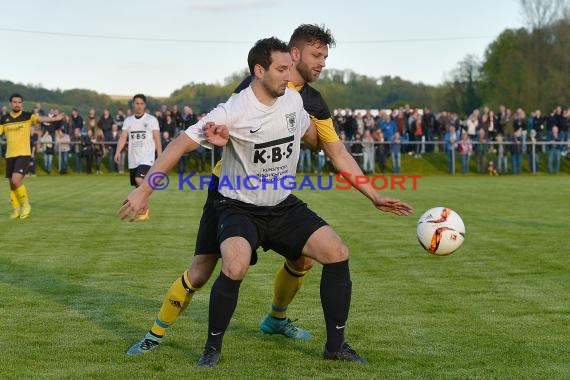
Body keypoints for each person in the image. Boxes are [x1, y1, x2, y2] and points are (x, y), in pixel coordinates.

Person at [118, 37, 412, 367]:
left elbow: (323, 144)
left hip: (281, 205)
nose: (289, 76)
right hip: (236, 204)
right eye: (282, 69)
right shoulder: (233, 109)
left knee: (337, 253)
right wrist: (145, 190)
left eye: (290, 68)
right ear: (259, 71)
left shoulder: (295, 102)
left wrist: (373, 194)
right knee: (228, 267)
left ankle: (335, 346)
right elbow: (178, 145)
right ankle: (205, 348)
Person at [0, 93, 64, 219]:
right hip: (10, 155)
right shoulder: (4, 119)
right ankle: (16, 209)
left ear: (22, 104)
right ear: (10, 104)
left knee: (16, 180)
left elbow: (41, 119)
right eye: (14, 102)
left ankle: (26, 205)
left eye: (19, 102)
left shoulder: (27, 116)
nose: (17, 104)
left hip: (23, 154)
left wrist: (55, 119)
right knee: (12, 185)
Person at [114, 94, 162, 220]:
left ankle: (145, 207)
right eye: (137, 103)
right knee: (138, 187)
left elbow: (157, 138)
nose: (139, 106)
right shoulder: (128, 121)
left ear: (144, 105)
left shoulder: (151, 120)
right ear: (133, 104)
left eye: (141, 103)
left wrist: (161, 156)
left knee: (139, 179)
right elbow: (123, 137)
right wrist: (117, 151)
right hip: (133, 159)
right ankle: (143, 210)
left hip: (147, 157)